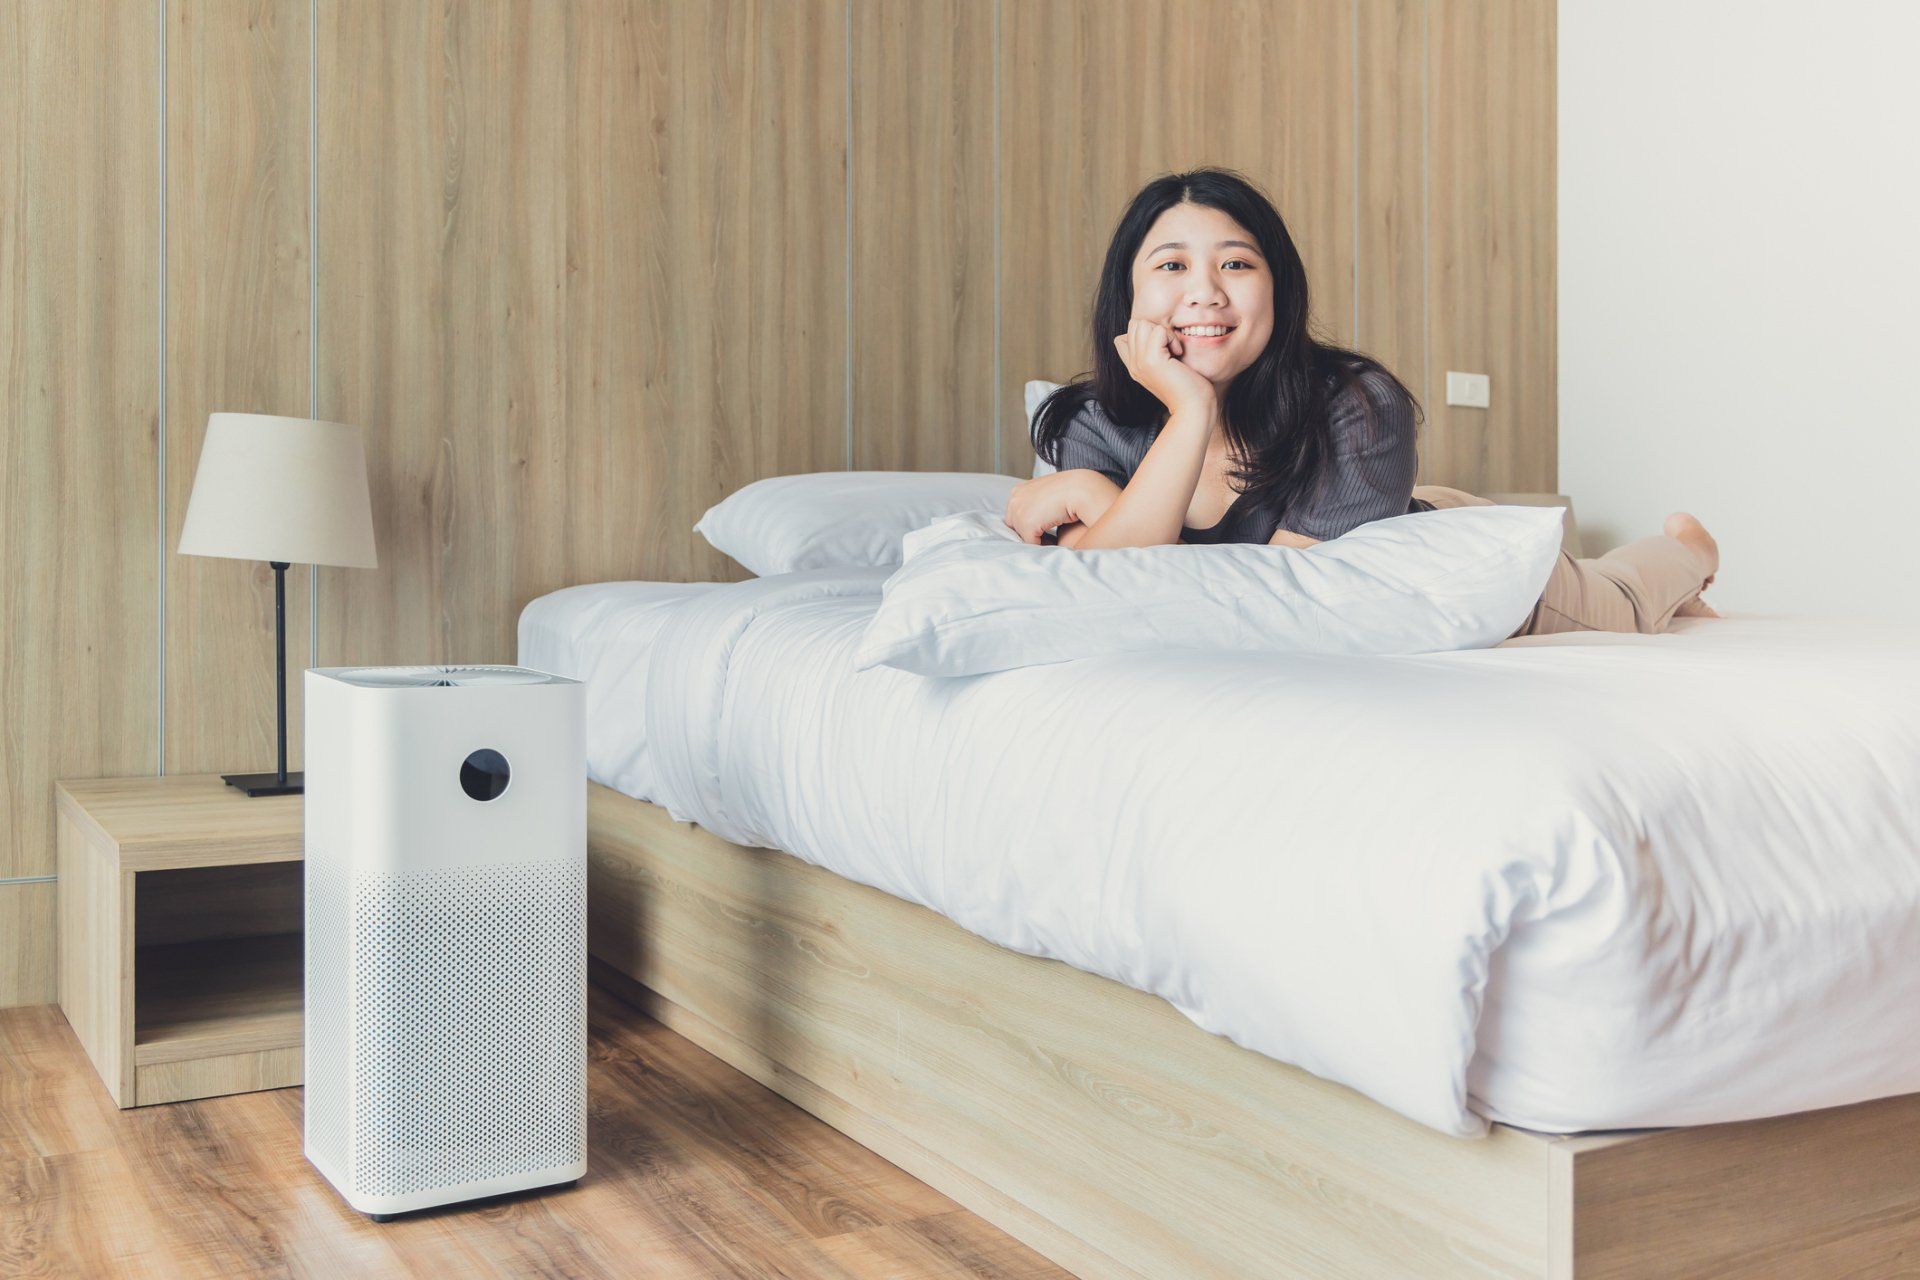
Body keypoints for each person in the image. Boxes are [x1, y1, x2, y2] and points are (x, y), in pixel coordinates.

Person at [1004, 168, 1717, 635]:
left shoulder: (1359, 403)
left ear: (1277, 290)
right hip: (1370, 516)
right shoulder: (1091, 422)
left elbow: (1279, 605)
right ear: (1127, 296)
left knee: (1618, 602)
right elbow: (1103, 596)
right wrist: (1170, 431)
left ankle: (1687, 552)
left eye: (1236, 263)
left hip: (1439, 553)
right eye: (1171, 266)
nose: (1206, 291)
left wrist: (1154, 451)